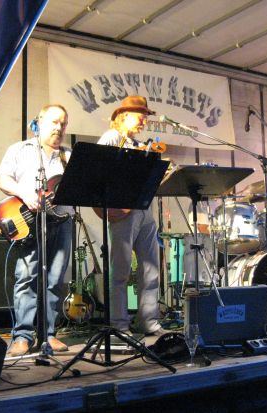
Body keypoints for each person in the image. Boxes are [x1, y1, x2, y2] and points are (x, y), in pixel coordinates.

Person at [0, 104, 72, 356]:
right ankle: (22, 336)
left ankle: (49, 334)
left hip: (62, 221)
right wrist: (25, 193)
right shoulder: (19, 149)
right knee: (26, 277)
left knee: (56, 279)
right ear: (39, 121)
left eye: (63, 123)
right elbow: (3, 178)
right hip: (28, 222)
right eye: (54, 122)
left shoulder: (68, 156)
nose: (59, 127)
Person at [97, 95, 168, 336]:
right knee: (121, 269)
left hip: (143, 209)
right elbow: (98, 170)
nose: (144, 121)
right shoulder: (111, 138)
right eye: (141, 116)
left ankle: (149, 321)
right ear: (124, 115)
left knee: (151, 268)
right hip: (122, 209)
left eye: (146, 116)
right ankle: (119, 324)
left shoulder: (137, 143)